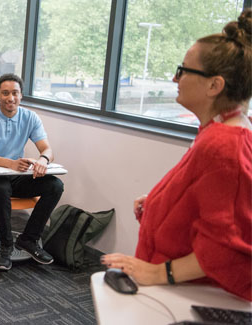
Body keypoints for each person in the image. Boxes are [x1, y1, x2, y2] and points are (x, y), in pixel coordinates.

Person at [101, 9, 252, 302]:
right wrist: (162, 202)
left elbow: (227, 246)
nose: (174, 78)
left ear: (214, 85)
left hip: (186, 294)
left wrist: (158, 274)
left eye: (183, 70)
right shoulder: (218, 130)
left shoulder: (225, 144)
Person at [0, 73, 64, 271]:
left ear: (21, 95)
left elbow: (48, 150)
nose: (10, 98)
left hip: (16, 177)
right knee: (2, 188)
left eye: (15, 93)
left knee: (55, 185)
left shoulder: (30, 117)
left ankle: (28, 239)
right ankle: (6, 247)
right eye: (5, 93)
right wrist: (10, 164)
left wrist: (42, 160)